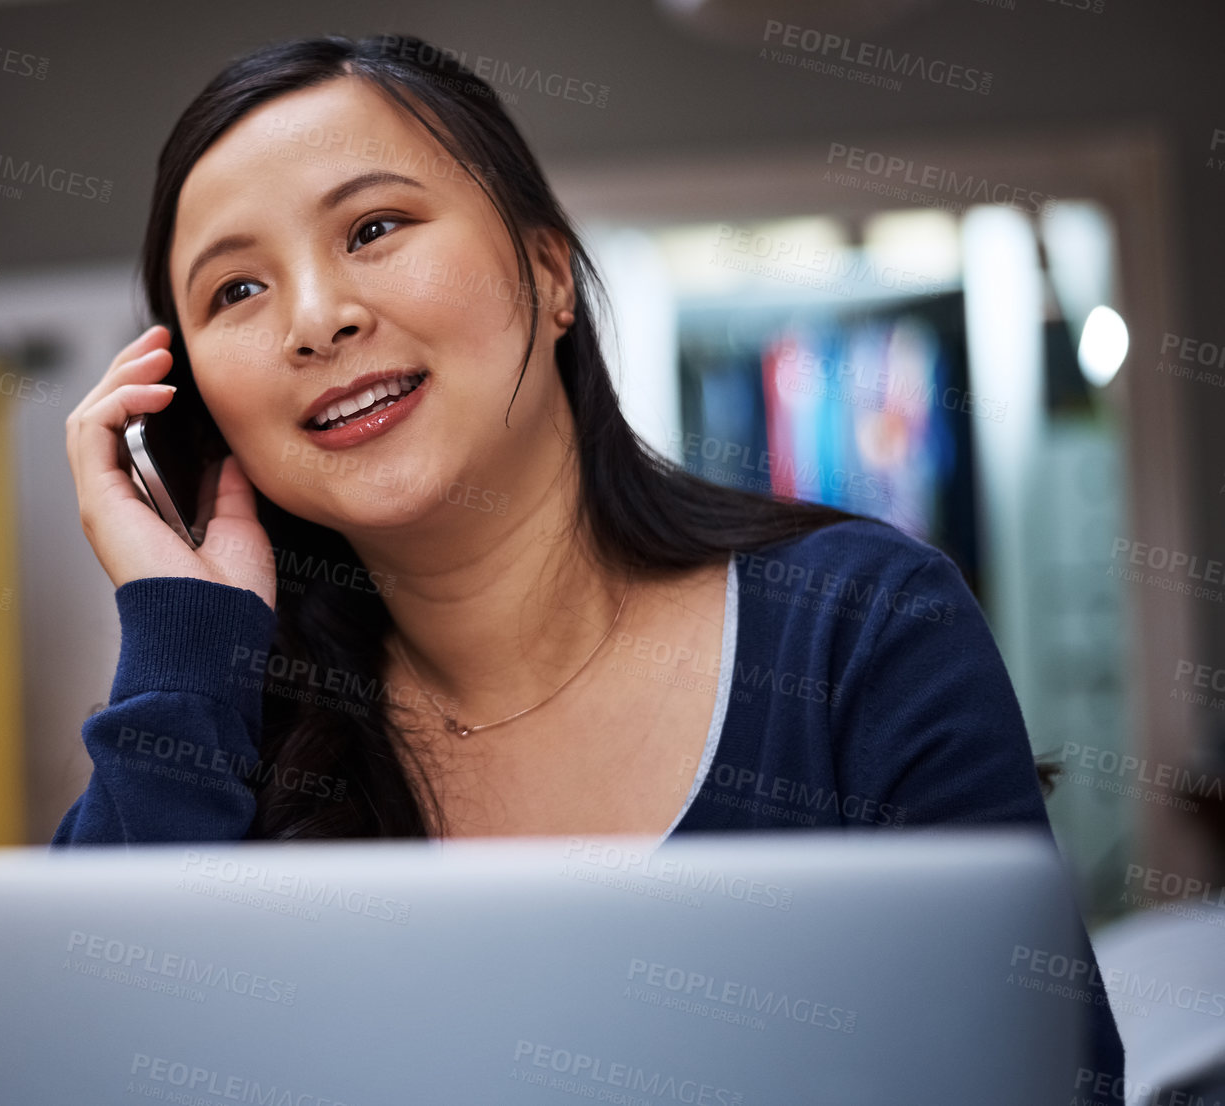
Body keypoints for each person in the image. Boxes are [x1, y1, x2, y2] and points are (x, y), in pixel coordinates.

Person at [55, 32, 1125, 1090]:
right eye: (234, 291)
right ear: (193, 402)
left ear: (548, 270)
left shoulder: (858, 625)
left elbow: (1044, 1077)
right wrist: (179, 644)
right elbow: (76, 1070)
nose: (317, 319)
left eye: (373, 227)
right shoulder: (223, 724)